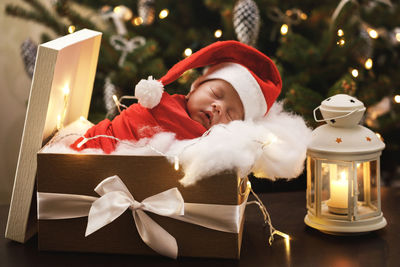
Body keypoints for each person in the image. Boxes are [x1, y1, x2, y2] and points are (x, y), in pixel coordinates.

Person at [70, 40, 282, 153]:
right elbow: (126, 125)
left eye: (231, 114)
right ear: (194, 88)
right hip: (100, 150)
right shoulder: (158, 105)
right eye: (216, 94)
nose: (218, 107)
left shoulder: (214, 147)